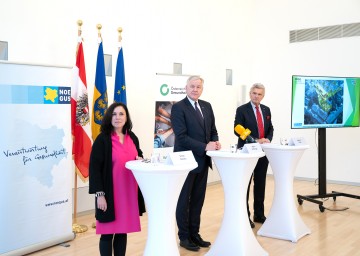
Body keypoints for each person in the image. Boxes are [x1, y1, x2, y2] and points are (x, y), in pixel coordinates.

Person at [171, 75, 221, 251]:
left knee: (198, 200)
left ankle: (194, 234)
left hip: (203, 160)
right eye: (192, 86)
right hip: (186, 162)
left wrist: (214, 143)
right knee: (184, 201)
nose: (195, 89)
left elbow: (213, 130)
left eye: (198, 87)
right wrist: (204, 146)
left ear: (202, 89)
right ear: (186, 87)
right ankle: (184, 237)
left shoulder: (207, 106)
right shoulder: (178, 108)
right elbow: (182, 137)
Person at [89, 102, 146, 256]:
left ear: (126, 118)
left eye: (121, 114)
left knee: (122, 231)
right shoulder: (103, 139)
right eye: (114, 114)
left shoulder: (132, 136)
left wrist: (140, 158)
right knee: (107, 233)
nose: (118, 117)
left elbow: (139, 155)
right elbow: (94, 169)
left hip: (129, 193)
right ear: (109, 117)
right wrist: (100, 195)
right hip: (110, 194)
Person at [234, 83, 274, 229]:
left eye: (259, 94)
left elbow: (270, 128)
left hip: (263, 151)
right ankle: (245, 216)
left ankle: (259, 214)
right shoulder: (242, 110)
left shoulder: (266, 109)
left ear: (263, 96)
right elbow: (237, 129)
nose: (256, 96)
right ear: (250, 94)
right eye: (254, 93)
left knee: (260, 183)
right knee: (246, 184)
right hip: (247, 151)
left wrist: (268, 139)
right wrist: (255, 140)